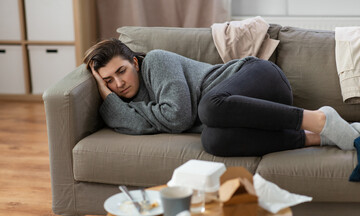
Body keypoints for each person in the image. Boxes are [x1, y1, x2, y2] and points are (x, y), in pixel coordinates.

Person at [83, 38, 360, 157]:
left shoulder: (156, 61)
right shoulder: (121, 101)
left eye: (122, 71)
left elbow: (177, 117)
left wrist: (146, 113)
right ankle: (317, 136)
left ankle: (319, 118)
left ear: (135, 62)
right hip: (249, 116)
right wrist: (108, 98)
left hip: (259, 78)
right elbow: (151, 121)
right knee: (212, 140)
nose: (119, 83)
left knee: (209, 108)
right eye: (108, 81)